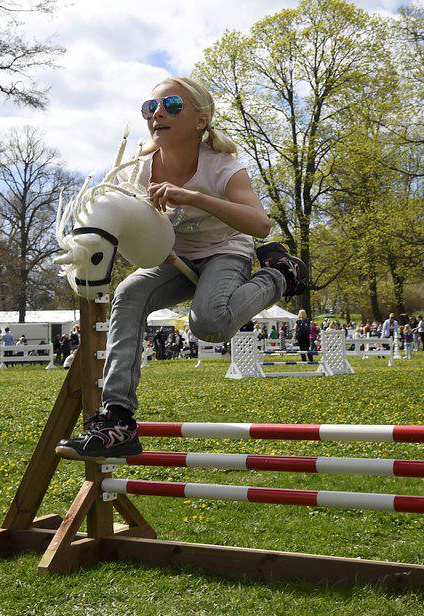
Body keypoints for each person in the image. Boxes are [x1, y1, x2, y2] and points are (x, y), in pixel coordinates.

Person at [57, 76, 307, 461]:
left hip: (226, 252)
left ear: (201, 120)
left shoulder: (224, 167)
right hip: (175, 258)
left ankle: (280, 274)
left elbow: (260, 225)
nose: (158, 113)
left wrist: (194, 197)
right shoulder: (139, 170)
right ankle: (117, 418)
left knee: (208, 325)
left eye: (172, 106)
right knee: (129, 294)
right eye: (150, 108)